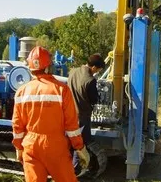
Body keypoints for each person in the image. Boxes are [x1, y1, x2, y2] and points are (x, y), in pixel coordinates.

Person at [12, 46, 90, 182]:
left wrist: (18, 147)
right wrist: (80, 148)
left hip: (30, 147)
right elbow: (71, 126)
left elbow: (17, 125)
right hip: (55, 147)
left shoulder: (21, 91)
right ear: (48, 67)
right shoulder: (61, 90)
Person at [67, 53, 105, 174]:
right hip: (81, 117)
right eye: (98, 70)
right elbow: (94, 99)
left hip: (68, 115)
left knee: (69, 144)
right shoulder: (90, 80)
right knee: (80, 145)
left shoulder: (72, 72)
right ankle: (75, 172)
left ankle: (66, 170)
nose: (97, 72)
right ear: (94, 67)